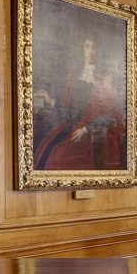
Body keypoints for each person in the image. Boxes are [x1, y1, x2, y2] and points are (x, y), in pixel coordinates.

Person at [33, 33, 124, 171]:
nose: (90, 51)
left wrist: (86, 129)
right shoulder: (74, 75)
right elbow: (68, 110)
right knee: (47, 148)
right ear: (82, 49)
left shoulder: (105, 78)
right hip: (70, 126)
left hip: (90, 132)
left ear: (98, 51)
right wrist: (49, 100)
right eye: (87, 46)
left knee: (57, 155)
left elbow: (111, 116)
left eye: (94, 47)